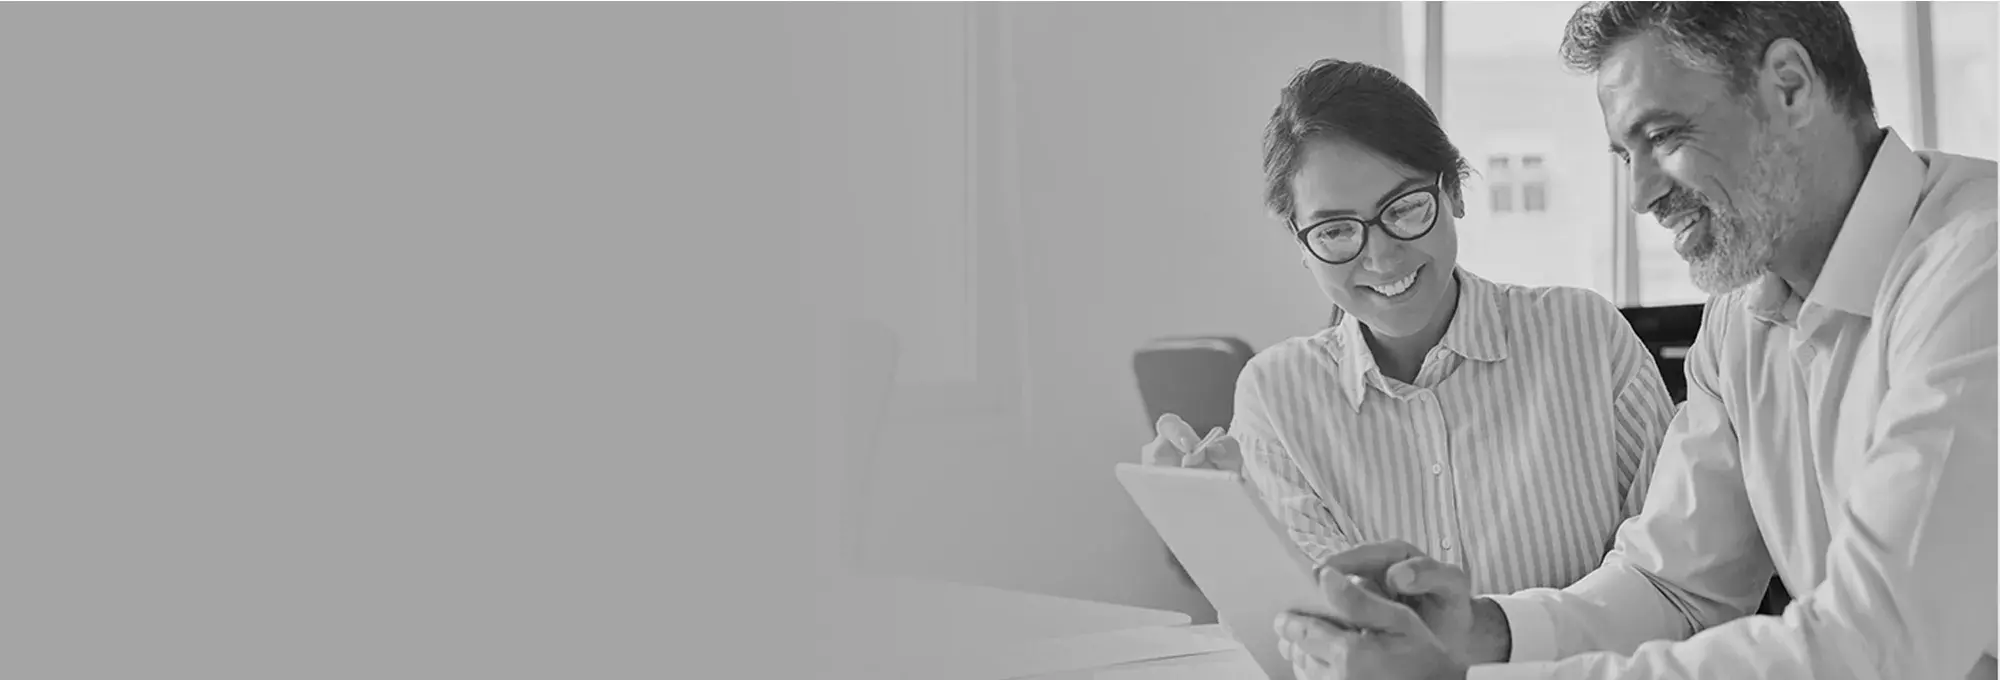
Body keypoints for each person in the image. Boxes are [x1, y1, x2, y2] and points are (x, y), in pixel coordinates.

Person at [1274, 3, 1998, 680]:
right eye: (1626, 154)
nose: (1641, 195)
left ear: (1789, 87)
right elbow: (1674, 586)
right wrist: (1477, 635)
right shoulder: (1741, 318)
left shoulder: (1977, 269)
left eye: (1664, 136)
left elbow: (1882, 644)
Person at [1140, 59, 1677, 599]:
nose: (1380, 256)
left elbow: (1674, 581)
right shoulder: (1277, 397)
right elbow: (1318, 626)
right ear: (1301, 243)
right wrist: (1219, 531)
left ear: (1455, 192)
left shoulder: (1585, 338)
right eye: (1335, 231)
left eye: (1404, 208)